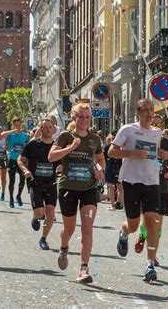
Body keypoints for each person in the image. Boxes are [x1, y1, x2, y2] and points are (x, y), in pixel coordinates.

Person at [108, 99, 166, 282]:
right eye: (146, 110)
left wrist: (161, 158)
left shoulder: (157, 133)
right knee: (133, 225)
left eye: (152, 110)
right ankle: (124, 234)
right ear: (138, 112)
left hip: (152, 182)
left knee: (151, 221)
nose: (149, 113)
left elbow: (154, 157)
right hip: (131, 181)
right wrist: (132, 153)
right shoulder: (128, 129)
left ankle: (149, 265)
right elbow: (111, 152)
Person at [48, 103, 105, 284]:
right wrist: (71, 147)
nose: (84, 120)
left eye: (87, 117)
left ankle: (83, 268)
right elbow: (51, 157)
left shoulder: (94, 139)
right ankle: (64, 247)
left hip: (89, 188)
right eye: (80, 116)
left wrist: (100, 170)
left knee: (87, 228)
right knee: (70, 228)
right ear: (74, 118)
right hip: (68, 188)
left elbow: (99, 159)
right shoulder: (66, 136)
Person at [134, 115, 168, 266]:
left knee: (158, 225)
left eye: (158, 124)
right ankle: (142, 235)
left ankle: (152, 257)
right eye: (152, 123)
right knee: (145, 223)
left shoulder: (167, 143)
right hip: (144, 185)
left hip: (161, 187)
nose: (155, 126)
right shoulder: (141, 140)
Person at [18, 118, 59, 250]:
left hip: (51, 183)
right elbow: (20, 160)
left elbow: (62, 163)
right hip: (35, 182)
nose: (47, 129)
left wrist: (61, 168)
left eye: (50, 127)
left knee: (50, 212)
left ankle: (43, 239)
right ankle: (36, 217)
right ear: (40, 129)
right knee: (40, 212)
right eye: (44, 127)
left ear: (53, 129)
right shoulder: (32, 144)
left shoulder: (56, 147)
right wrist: (25, 170)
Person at [0, 117, 29, 208]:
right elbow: (1, 135)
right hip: (12, 159)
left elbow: (28, 145)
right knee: (12, 180)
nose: (18, 126)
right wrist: (13, 130)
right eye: (16, 124)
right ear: (13, 125)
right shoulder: (10, 135)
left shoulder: (24, 135)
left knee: (22, 180)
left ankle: (19, 196)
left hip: (21, 160)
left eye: (19, 124)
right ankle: (11, 199)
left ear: (21, 124)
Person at [104, 131, 123, 210]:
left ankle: (113, 205)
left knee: (111, 187)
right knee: (120, 187)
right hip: (118, 167)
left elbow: (104, 158)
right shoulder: (121, 146)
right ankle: (119, 203)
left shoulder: (107, 146)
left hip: (110, 167)